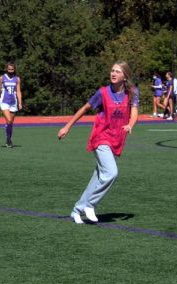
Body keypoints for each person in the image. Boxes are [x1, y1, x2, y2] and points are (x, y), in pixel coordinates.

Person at [57, 61, 139, 224]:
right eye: (112, 70)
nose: (113, 73)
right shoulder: (102, 93)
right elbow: (85, 108)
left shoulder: (133, 92)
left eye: (117, 71)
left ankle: (77, 210)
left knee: (98, 177)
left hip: (116, 140)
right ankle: (90, 204)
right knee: (111, 173)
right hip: (101, 137)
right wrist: (67, 126)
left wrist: (130, 124)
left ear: (125, 76)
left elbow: (135, 111)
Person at [0, 61, 23, 148]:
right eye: (9, 69)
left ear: (14, 69)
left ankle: (8, 139)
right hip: (4, 102)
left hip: (13, 102)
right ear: (7, 69)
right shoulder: (2, 78)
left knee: (10, 123)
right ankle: (8, 139)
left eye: (12, 69)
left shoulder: (17, 79)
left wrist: (20, 102)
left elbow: (18, 91)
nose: (10, 71)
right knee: (9, 120)